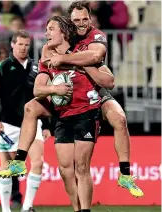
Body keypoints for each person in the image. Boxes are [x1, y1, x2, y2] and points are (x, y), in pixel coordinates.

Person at [0, 16, 114, 212]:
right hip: (63, 114)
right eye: (46, 29)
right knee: (65, 170)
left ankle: (85, 210)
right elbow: (38, 89)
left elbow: (109, 80)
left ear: (64, 32)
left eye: (51, 29)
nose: (46, 33)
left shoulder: (84, 52)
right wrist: (54, 89)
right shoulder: (47, 54)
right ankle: (19, 161)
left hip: (85, 112)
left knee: (82, 168)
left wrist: (83, 67)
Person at [42, 0, 143, 198]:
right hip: (67, 92)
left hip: (94, 90)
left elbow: (96, 57)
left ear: (91, 18)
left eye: (85, 19)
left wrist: (65, 59)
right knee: (31, 106)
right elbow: (47, 56)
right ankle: (20, 156)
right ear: (69, 22)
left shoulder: (96, 35)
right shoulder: (62, 36)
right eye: (76, 20)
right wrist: (78, 60)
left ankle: (125, 174)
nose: (81, 23)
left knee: (119, 119)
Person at [0, 30, 44, 212]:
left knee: (38, 162)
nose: (23, 48)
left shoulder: (36, 68)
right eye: (20, 44)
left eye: (27, 45)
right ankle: (5, 209)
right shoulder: (2, 68)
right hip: (8, 123)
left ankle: (27, 207)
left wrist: (47, 124)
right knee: (7, 168)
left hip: (33, 122)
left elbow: (44, 96)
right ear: (13, 44)